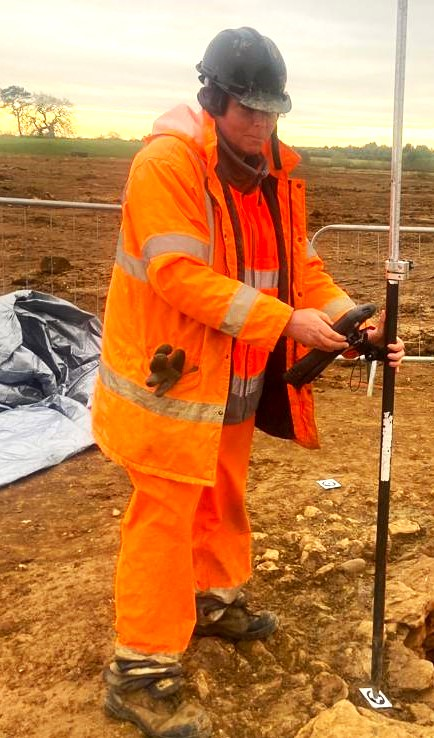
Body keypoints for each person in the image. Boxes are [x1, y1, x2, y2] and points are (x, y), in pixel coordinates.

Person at [91, 26, 405, 738]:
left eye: (272, 111)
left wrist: (349, 318)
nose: (262, 125)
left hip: (235, 375)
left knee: (223, 492)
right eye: (250, 110)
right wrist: (285, 322)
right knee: (165, 517)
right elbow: (178, 275)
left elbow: (298, 268)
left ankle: (214, 598)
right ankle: (139, 670)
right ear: (213, 98)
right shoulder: (168, 165)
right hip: (169, 382)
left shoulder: (273, 174)